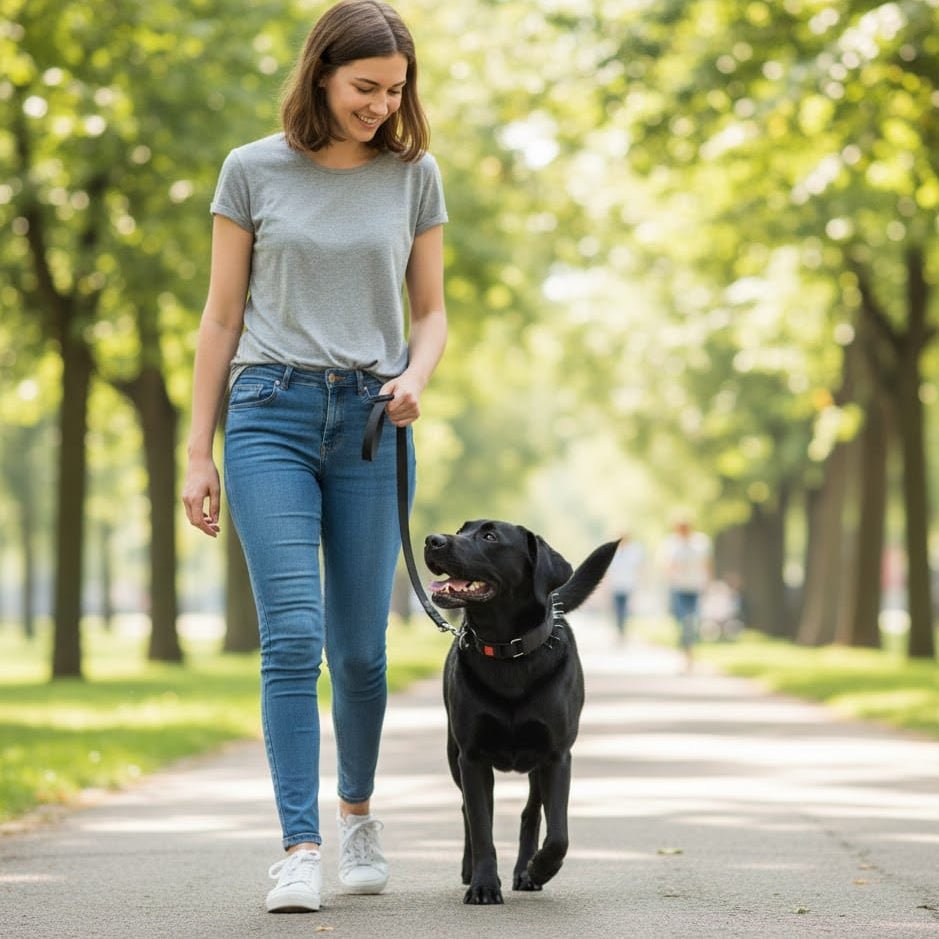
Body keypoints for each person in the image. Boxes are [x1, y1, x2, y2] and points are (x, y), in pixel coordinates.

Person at [181, 0, 447, 914]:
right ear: (322, 73)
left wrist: (418, 372)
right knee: (291, 637)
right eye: (364, 87)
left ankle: (357, 812)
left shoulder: (412, 176)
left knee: (361, 650)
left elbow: (432, 311)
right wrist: (196, 451)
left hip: (372, 418)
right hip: (268, 413)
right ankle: (298, 844)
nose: (380, 104)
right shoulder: (251, 169)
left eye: (394, 91)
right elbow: (219, 319)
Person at [661, 519, 712, 671]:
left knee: (690, 621)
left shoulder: (701, 543)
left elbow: (707, 564)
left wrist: (708, 582)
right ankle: (686, 651)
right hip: (679, 588)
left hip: (695, 587)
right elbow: (668, 566)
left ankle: (688, 655)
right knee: (682, 621)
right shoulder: (672, 544)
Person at [607, 532, 644, 641]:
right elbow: (608, 570)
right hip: (616, 586)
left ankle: (623, 630)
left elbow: (639, 567)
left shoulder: (634, 551)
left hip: (628, 585)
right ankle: (620, 630)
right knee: (618, 610)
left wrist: (639, 582)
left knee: (625, 610)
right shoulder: (613, 552)